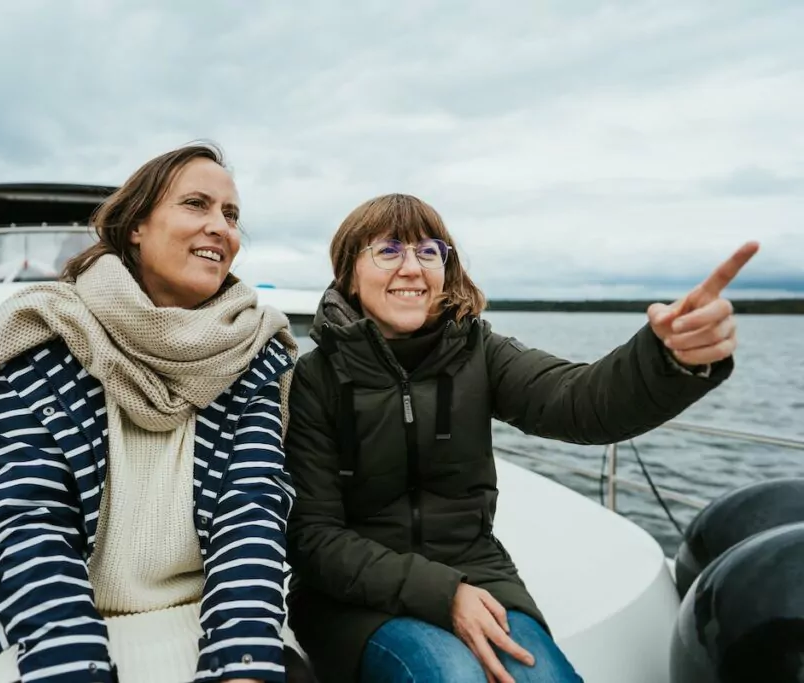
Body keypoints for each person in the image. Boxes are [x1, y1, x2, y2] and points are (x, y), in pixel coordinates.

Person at [283, 193, 757, 683]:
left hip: (476, 571)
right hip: (352, 599)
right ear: (349, 274)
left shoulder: (477, 352)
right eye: (388, 251)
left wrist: (668, 358)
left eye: (429, 252)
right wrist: (443, 595)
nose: (412, 267)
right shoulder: (315, 380)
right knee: (451, 676)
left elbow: (579, 400)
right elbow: (314, 539)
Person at [0, 143, 315, 683]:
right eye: (196, 204)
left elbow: (251, 515)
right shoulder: (38, 342)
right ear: (135, 227)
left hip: (207, 615)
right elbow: (27, 531)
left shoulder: (252, 351)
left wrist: (242, 665)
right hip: (45, 625)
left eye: (231, 213)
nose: (221, 226)